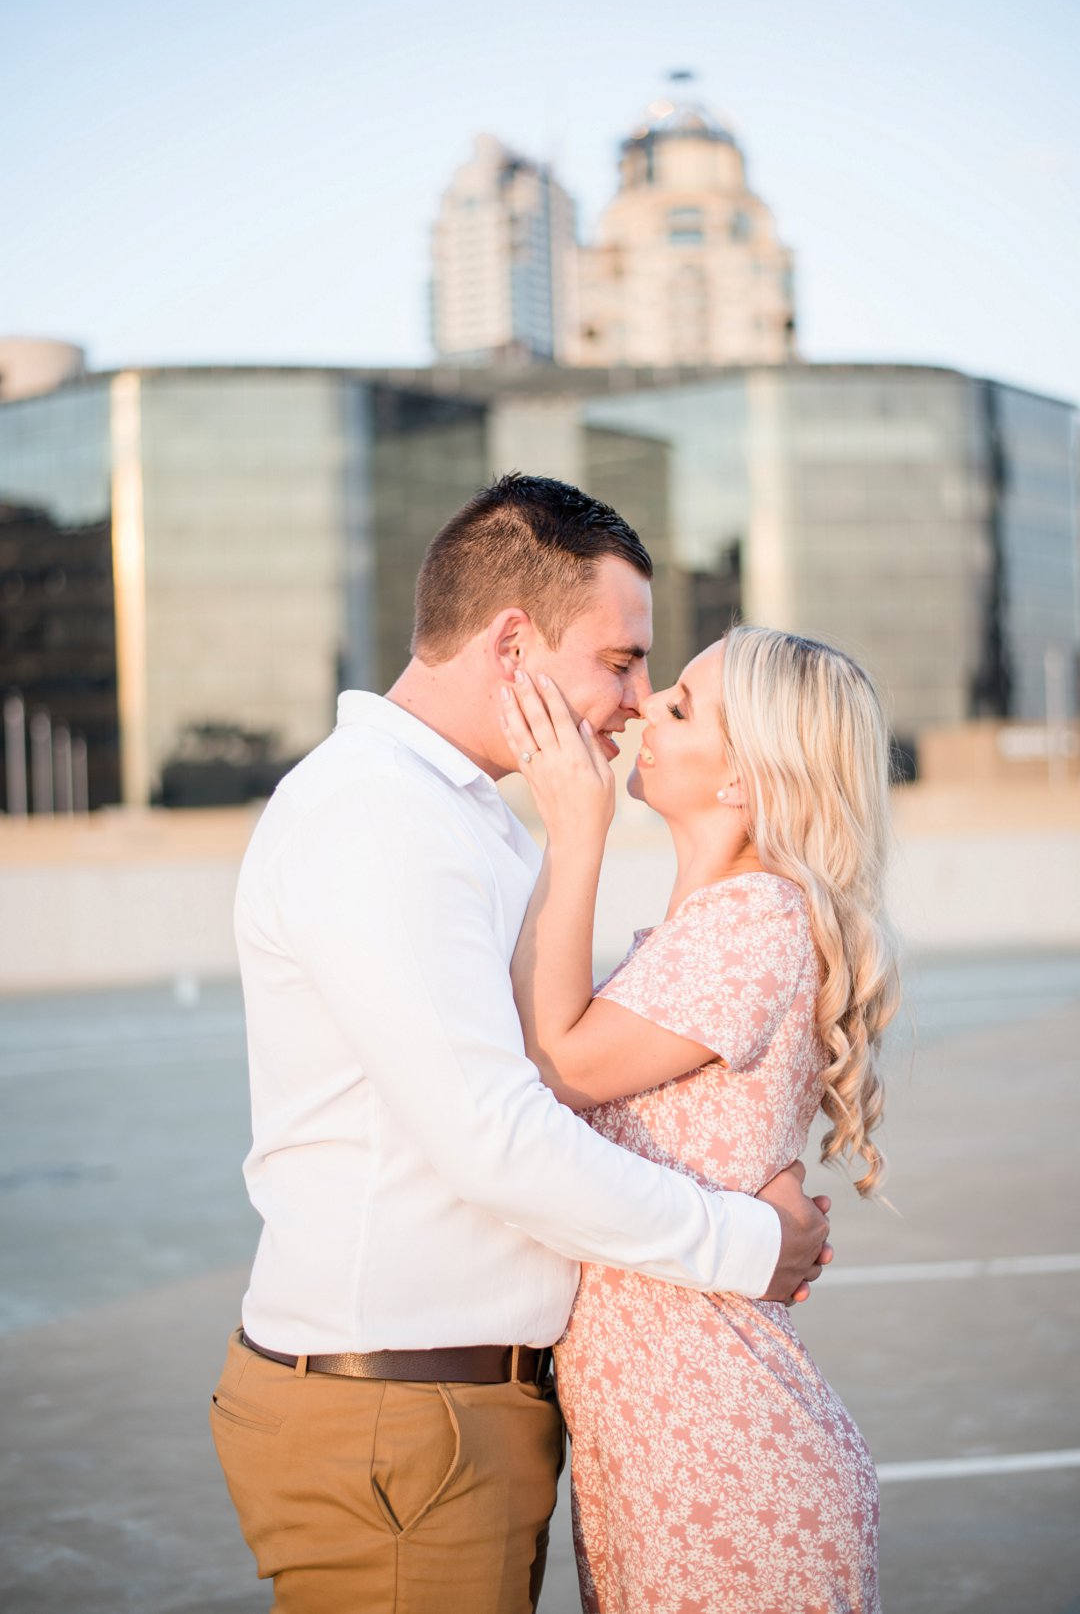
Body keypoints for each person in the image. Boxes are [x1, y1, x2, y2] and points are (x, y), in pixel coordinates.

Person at [210, 476, 831, 1614]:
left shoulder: (468, 815)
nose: (635, 700)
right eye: (620, 661)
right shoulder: (379, 818)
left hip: (455, 1414)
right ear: (511, 643)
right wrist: (748, 1239)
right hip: (402, 1418)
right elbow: (496, 1135)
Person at [503, 625, 901, 1614]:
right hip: (674, 1454)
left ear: (743, 778)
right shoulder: (711, 929)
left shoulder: (753, 921)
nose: (645, 705)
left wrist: (576, 826)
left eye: (680, 706)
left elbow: (555, 1064)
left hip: (724, 1464)